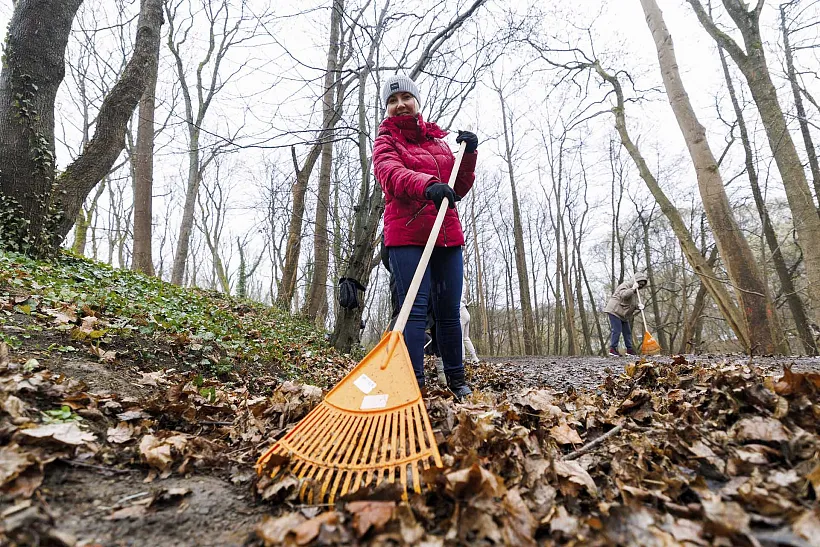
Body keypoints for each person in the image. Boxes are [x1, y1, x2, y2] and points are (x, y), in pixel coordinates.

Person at [373, 74, 478, 399]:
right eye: (392, 100)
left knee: (449, 312)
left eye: (406, 97)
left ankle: (457, 382)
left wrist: (468, 156)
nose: (400, 104)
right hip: (406, 235)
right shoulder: (385, 141)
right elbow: (390, 175)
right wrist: (427, 184)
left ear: (417, 101)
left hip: (447, 235)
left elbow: (456, 188)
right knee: (414, 310)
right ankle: (413, 385)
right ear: (387, 108)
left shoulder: (438, 142)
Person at [604, 273, 648, 357]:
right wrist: (632, 289)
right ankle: (613, 349)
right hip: (615, 311)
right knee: (617, 330)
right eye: (640, 283)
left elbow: (631, 304)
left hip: (623, 314)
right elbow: (624, 295)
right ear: (636, 281)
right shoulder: (626, 285)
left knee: (627, 332)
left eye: (642, 285)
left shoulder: (636, 292)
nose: (641, 286)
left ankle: (629, 350)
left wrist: (638, 306)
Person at [460, 286, 479, 364]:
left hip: (461, 312)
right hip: (465, 312)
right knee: (465, 337)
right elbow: (464, 300)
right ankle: (474, 357)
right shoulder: (461, 287)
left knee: (460, 338)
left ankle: (462, 359)